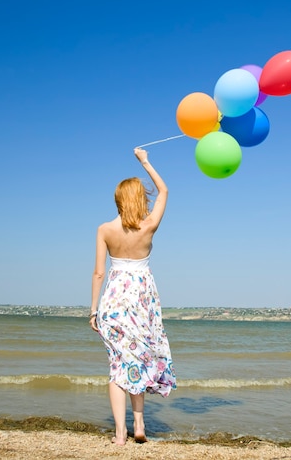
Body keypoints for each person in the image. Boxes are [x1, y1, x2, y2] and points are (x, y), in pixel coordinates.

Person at [89, 147, 176, 446]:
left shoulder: (104, 229)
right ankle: (139, 424)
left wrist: (92, 310)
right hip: (142, 300)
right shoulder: (149, 225)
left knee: (118, 364)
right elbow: (164, 190)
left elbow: (99, 273)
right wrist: (146, 162)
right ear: (140, 199)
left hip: (113, 301)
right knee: (137, 358)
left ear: (117, 199)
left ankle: (119, 433)